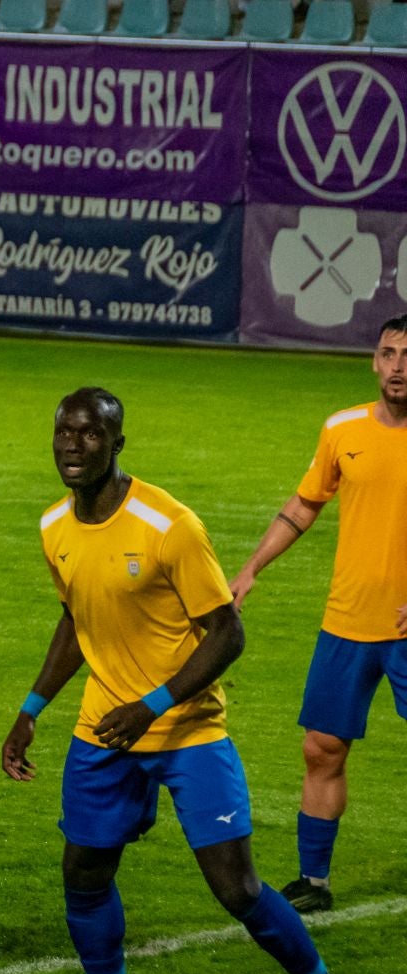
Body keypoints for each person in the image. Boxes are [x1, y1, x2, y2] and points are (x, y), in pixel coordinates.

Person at [1, 387, 375, 974]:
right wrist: (31, 708)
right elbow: (77, 621)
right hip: (103, 730)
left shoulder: (168, 525)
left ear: (118, 444)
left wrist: (153, 705)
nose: (71, 445)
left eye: (89, 434)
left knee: (237, 890)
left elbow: (228, 631)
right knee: (82, 874)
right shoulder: (55, 525)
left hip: (187, 731)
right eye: (63, 432)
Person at [229, 315, 407, 914]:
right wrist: (252, 568)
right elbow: (305, 505)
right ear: (373, 362)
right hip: (348, 621)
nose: (399, 366)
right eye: (388, 354)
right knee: (322, 749)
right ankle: (314, 880)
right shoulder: (342, 429)